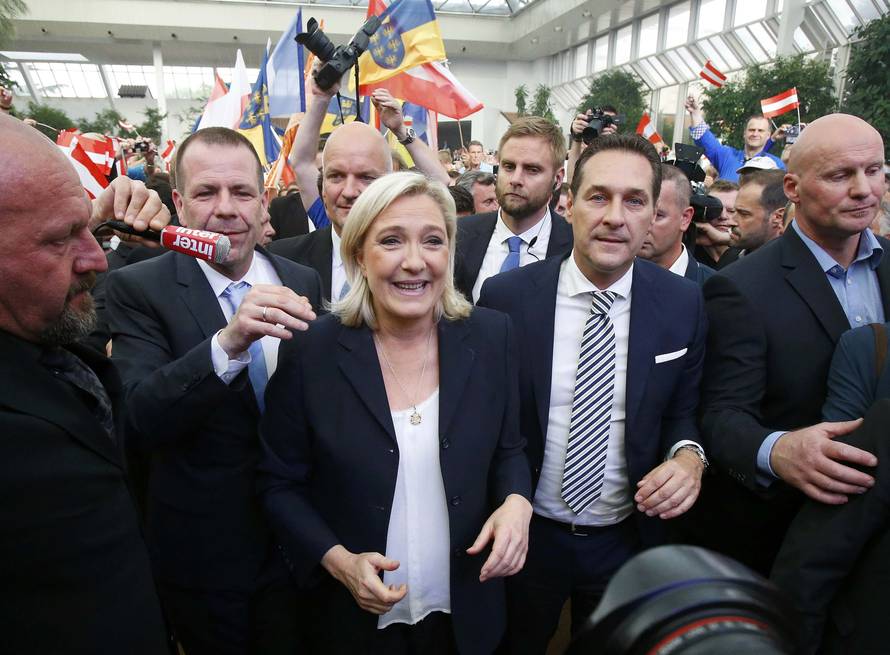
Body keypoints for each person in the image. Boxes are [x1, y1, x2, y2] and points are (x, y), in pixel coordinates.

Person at [258, 172, 533, 655]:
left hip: (467, 610)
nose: (414, 261)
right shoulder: (313, 351)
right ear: (359, 255)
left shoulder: (493, 337)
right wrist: (338, 561)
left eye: (432, 240)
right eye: (391, 241)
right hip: (353, 622)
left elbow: (510, 450)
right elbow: (278, 484)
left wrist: (517, 502)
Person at [478, 133, 708, 653]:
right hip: (526, 534)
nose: (614, 217)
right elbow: (490, 419)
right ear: (569, 203)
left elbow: (683, 413)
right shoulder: (507, 298)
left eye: (635, 201)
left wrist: (688, 458)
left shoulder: (682, 303)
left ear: (653, 214)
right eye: (599, 197)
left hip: (627, 540)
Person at [106, 127, 322, 655]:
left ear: (263, 201)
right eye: (206, 193)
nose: (226, 209)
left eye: (242, 192)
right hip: (206, 561)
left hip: (298, 547)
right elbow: (139, 416)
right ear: (179, 204)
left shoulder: (302, 279)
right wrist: (227, 344)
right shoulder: (140, 288)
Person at [0, 113, 170, 653]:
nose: (97, 257)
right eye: (60, 239)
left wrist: (90, 219)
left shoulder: (43, 333)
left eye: (85, 230)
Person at [692, 113, 890, 576]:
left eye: (874, 170)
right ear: (793, 189)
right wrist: (777, 450)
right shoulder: (741, 287)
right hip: (788, 540)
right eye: (840, 175)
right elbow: (720, 415)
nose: (863, 189)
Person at [455, 116, 574, 303]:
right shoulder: (459, 233)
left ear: (558, 179)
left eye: (532, 169)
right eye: (509, 166)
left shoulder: (574, 245)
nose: (516, 179)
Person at [639, 164, 714, 285]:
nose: (644, 226)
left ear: (685, 218)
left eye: (658, 215)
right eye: (638, 213)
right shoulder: (611, 278)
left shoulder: (710, 288)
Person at [684, 96, 784, 182]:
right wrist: (695, 113)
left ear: (768, 135)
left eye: (760, 131)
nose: (755, 134)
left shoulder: (776, 164)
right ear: (744, 133)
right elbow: (705, 140)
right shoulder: (727, 155)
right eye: (751, 130)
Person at [731, 169, 787, 255]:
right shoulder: (729, 257)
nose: (731, 221)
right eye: (733, 211)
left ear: (779, 217)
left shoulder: (798, 262)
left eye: (743, 214)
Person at [694, 179, 741, 270]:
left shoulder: (748, 252)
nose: (723, 216)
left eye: (731, 211)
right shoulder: (686, 251)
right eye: (715, 210)